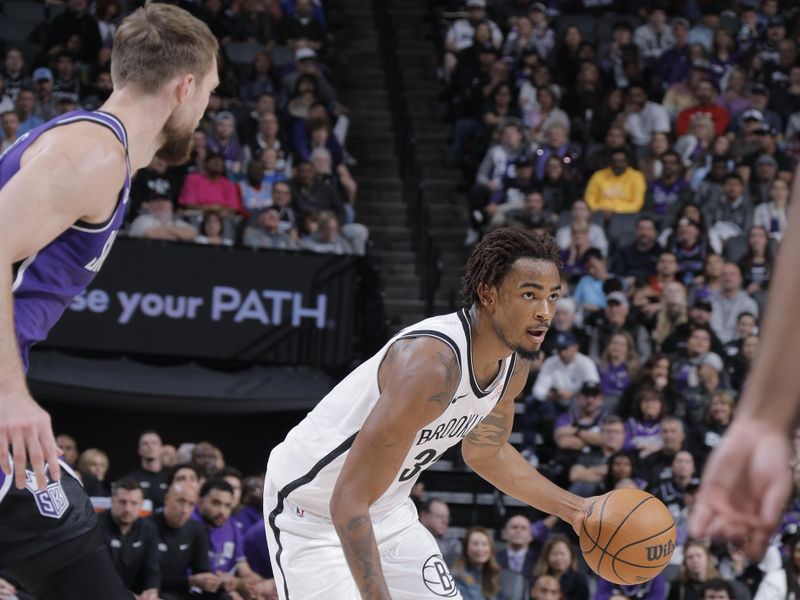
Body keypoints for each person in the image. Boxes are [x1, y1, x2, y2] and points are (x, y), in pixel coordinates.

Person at [0, 4, 219, 598]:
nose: (205, 112)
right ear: (186, 86)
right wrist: (10, 395)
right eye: (209, 94)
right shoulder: (95, 156)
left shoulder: (88, 145)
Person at [264, 229, 595, 598]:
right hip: (311, 509)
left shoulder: (512, 367)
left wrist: (576, 511)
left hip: (388, 512)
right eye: (530, 295)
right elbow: (347, 502)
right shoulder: (431, 365)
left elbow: (488, 452)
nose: (545, 312)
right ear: (488, 293)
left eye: (553, 297)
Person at [151, 482, 234, 600]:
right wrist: (190, 582)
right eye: (181, 501)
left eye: (190, 504)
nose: (185, 509)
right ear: (167, 499)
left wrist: (216, 582)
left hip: (182, 591)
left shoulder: (196, 529)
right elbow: (149, 579)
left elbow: (202, 571)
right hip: (155, 591)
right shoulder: (148, 527)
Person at [97, 478, 161, 600]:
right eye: (122, 502)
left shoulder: (149, 529)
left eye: (134, 503)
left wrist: (151, 590)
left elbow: (152, 568)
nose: (128, 509)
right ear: (112, 501)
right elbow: (97, 574)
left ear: (141, 504)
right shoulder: (96, 526)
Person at [419, 497, 462, 568]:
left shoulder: (453, 545)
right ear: (424, 516)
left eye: (447, 518)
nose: (445, 521)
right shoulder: (410, 538)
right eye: (440, 517)